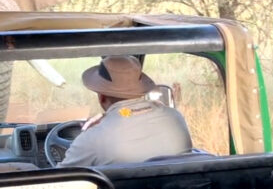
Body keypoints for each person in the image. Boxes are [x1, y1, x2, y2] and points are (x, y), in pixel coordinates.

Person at [58, 55, 192, 167]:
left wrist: (88, 134)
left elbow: (61, 181)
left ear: (101, 97)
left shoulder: (91, 139)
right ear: (140, 89)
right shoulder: (174, 117)